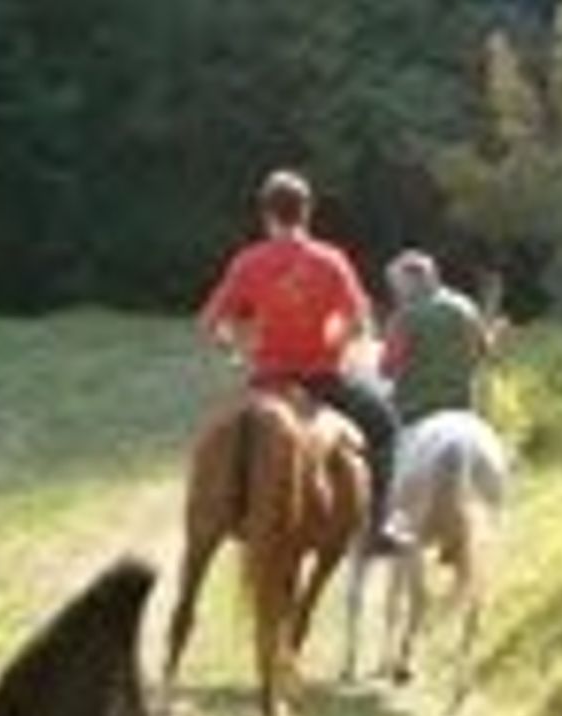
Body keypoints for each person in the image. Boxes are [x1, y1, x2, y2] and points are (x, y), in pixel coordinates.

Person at [197, 169, 407, 554]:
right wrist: (337, 341)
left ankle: (219, 512)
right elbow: (361, 323)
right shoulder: (331, 260)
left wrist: (235, 352)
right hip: (323, 382)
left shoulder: (248, 262)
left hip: (266, 382)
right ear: (307, 211)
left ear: (266, 214)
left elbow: (210, 324)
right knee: (386, 427)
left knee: (217, 441)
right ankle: (377, 529)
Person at [380, 250, 498, 425]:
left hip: (415, 410)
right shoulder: (465, 307)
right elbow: (483, 351)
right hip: (462, 406)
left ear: (410, 282)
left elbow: (388, 367)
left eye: (397, 285)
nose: (396, 292)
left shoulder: (406, 317)